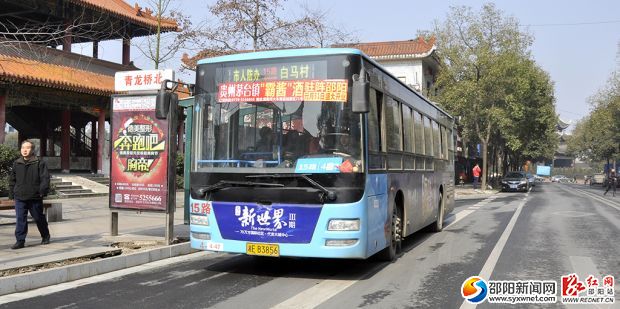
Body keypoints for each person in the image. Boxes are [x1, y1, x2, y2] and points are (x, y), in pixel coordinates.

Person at [8, 140, 51, 249]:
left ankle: (45, 235)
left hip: (35, 196)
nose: (25, 150)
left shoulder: (39, 163)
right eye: (23, 148)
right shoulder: (17, 163)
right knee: (20, 219)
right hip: (20, 196)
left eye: (27, 148)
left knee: (38, 217)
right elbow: (12, 180)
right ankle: (20, 240)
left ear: (32, 150)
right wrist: (11, 194)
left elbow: (45, 179)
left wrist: (42, 192)